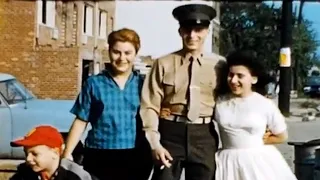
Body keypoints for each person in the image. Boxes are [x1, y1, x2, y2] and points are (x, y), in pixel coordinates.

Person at [140, 4, 226, 180]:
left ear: (207, 31)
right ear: (180, 31)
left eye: (199, 29)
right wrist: (155, 143)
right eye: (187, 29)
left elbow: (231, 101)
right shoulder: (163, 63)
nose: (192, 35)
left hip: (204, 134)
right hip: (170, 133)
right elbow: (149, 105)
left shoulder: (220, 65)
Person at [62, 28, 153, 180]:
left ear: (135, 53)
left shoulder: (143, 84)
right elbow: (81, 120)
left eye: (127, 53)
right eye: (116, 52)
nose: (122, 58)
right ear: (109, 51)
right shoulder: (94, 84)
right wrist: (67, 153)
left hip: (136, 155)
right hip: (100, 154)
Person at [214, 50, 297, 180]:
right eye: (231, 75)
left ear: (253, 79)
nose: (234, 80)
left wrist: (259, 140)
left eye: (240, 76)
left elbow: (282, 136)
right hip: (227, 162)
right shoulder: (220, 102)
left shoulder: (264, 104)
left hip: (257, 162)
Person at [9, 125, 96, 180]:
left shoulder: (74, 175)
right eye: (26, 153)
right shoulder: (25, 173)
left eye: (35, 154)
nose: (28, 159)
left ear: (55, 153)